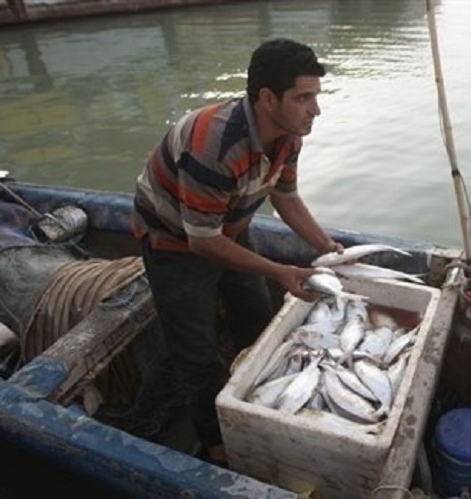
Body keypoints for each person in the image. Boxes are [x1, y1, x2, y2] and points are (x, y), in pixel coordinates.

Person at [131, 38, 343, 465]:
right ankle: (218, 446)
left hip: (228, 225)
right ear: (267, 99)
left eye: (315, 97)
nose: (315, 110)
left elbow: (285, 197)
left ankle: (257, 403)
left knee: (259, 316)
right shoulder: (214, 144)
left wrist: (326, 245)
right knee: (196, 352)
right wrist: (279, 270)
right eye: (303, 98)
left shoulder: (288, 137)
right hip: (174, 240)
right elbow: (201, 241)